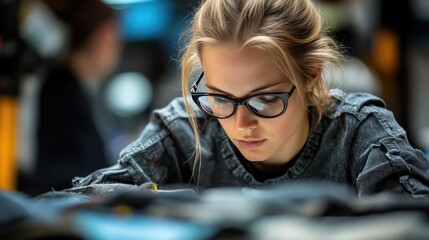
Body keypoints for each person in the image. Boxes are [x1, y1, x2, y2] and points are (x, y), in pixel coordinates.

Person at [71, 0, 429, 200]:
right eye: (220, 98)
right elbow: (85, 200)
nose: (241, 125)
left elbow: (412, 217)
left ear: (311, 76)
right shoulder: (186, 127)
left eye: (265, 100)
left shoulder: (359, 136)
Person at [33, 0, 121, 195]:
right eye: (117, 38)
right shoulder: (64, 92)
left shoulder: (71, 88)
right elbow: (74, 173)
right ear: (103, 35)